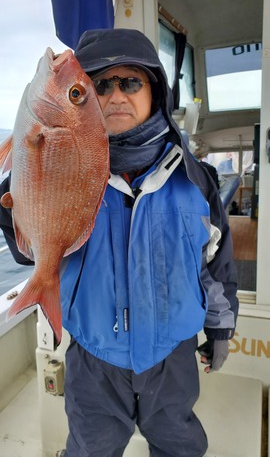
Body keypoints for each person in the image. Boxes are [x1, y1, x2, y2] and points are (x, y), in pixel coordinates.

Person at [0, 29, 238, 457]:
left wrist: (220, 324)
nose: (115, 96)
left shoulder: (195, 178)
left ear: (155, 91)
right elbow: (26, 251)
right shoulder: (68, 170)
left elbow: (216, 260)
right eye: (98, 85)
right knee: (91, 448)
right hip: (94, 357)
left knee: (180, 447)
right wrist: (15, 202)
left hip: (173, 357)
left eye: (130, 82)